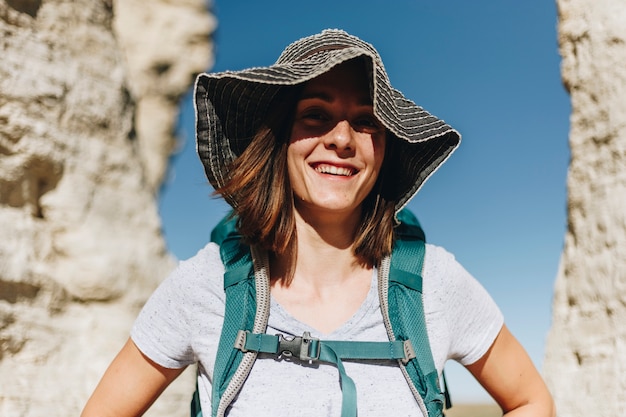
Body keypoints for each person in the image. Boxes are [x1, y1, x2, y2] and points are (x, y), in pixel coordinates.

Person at [81, 29, 555, 417]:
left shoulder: (434, 283)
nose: (343, 140)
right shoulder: (208, 284)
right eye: (316, 116)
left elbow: (532, 402)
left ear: (384, 149)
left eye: (367, 122)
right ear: (279, 141)